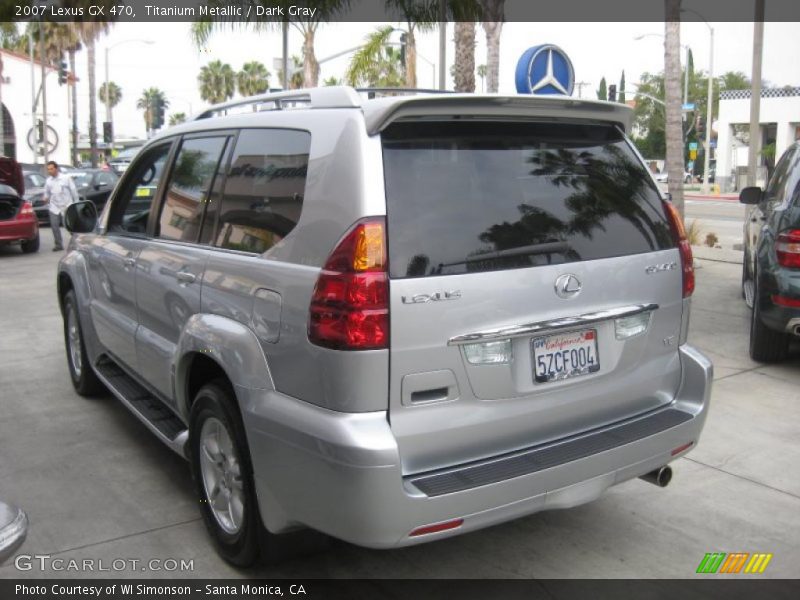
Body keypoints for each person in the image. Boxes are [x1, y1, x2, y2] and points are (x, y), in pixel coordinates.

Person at [44, 161, 79, 251]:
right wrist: (45, 198)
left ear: (56, 169)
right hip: (54, 206)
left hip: (66, 205)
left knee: (68, 226)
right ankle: (58, 244)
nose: (50, 171)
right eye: (48, 169)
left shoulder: (65, 178)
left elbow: (73, 191)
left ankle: (78, 242)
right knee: (54, 226)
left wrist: (76, 204)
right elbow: (46, 193)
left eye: (51, 169)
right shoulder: (48, 181)